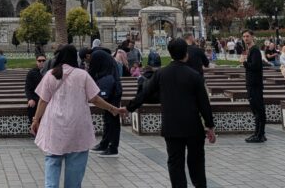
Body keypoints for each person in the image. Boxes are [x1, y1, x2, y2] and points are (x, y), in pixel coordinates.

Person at [30, 45, 128, 188]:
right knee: (75, 167)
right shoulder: (82, 75)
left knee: (52, 160)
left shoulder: (50, 75)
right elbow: (95, 99)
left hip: (55, 127)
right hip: (78, 127)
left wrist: (36, 120)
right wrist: (113, 109)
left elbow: (43, 101)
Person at [127, 38, 216, 188]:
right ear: (186, 54)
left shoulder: (161, 74)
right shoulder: (194, 76)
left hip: (171, 126)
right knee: (197, 162)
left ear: (170, 53)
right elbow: (204, 104)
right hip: (193, 126)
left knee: (175, 163)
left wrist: (129, 107)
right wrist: (210, 125)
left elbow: (145, 93)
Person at [86, 46, 123, 157]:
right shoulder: (102, 54)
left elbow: (90, 75)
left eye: (85, 59)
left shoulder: (96, 55)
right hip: (112, 89)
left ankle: (113, 148)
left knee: (112, 118)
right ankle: (104, 144)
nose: (87, 62)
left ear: (88, 55)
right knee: (108, 118)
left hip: (112, 90)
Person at [241, 30, 265, 143]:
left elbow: (255, 66)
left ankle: (259, 135)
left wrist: (244, 63)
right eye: (244, 36)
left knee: (258, 109)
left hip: (255, 84)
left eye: (247, 36)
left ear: (252, 37)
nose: (246, 38)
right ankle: (258, 133)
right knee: (256, 109)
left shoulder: (255, 50)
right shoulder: (250, 50)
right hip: (251, 84)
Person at [25, 54, 46, 121]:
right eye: (39, 61)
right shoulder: (31, 73)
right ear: (36, 62)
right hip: (35, 97)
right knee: (31, 106)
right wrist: (30, 99)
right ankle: (33, 127)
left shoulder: (49, 72)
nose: (41, 62)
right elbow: (28, 88)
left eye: (43, 60)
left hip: (46, 98)